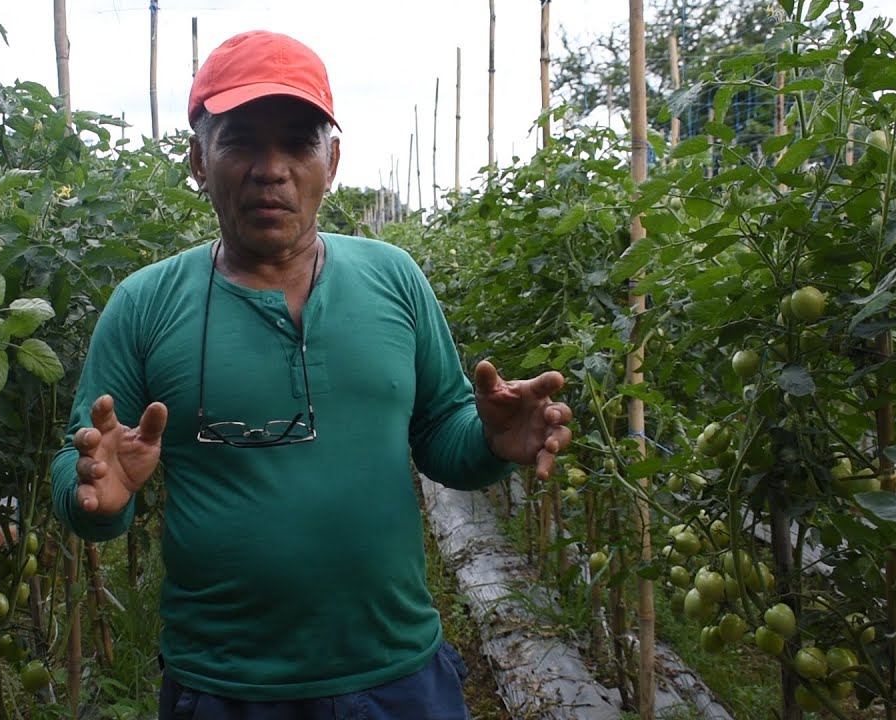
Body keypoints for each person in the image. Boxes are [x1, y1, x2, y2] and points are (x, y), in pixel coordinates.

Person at [50, 29, 573, 720]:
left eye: (297, 142)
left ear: (331, 160)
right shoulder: (146, 305)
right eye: (239, 140)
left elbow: (442, 434)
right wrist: (99, 499)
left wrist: (489, 444)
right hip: (225, 686)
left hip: (397, 674)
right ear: (198, 160)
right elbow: (77, 467)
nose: (272, 168)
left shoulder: (394, 279)